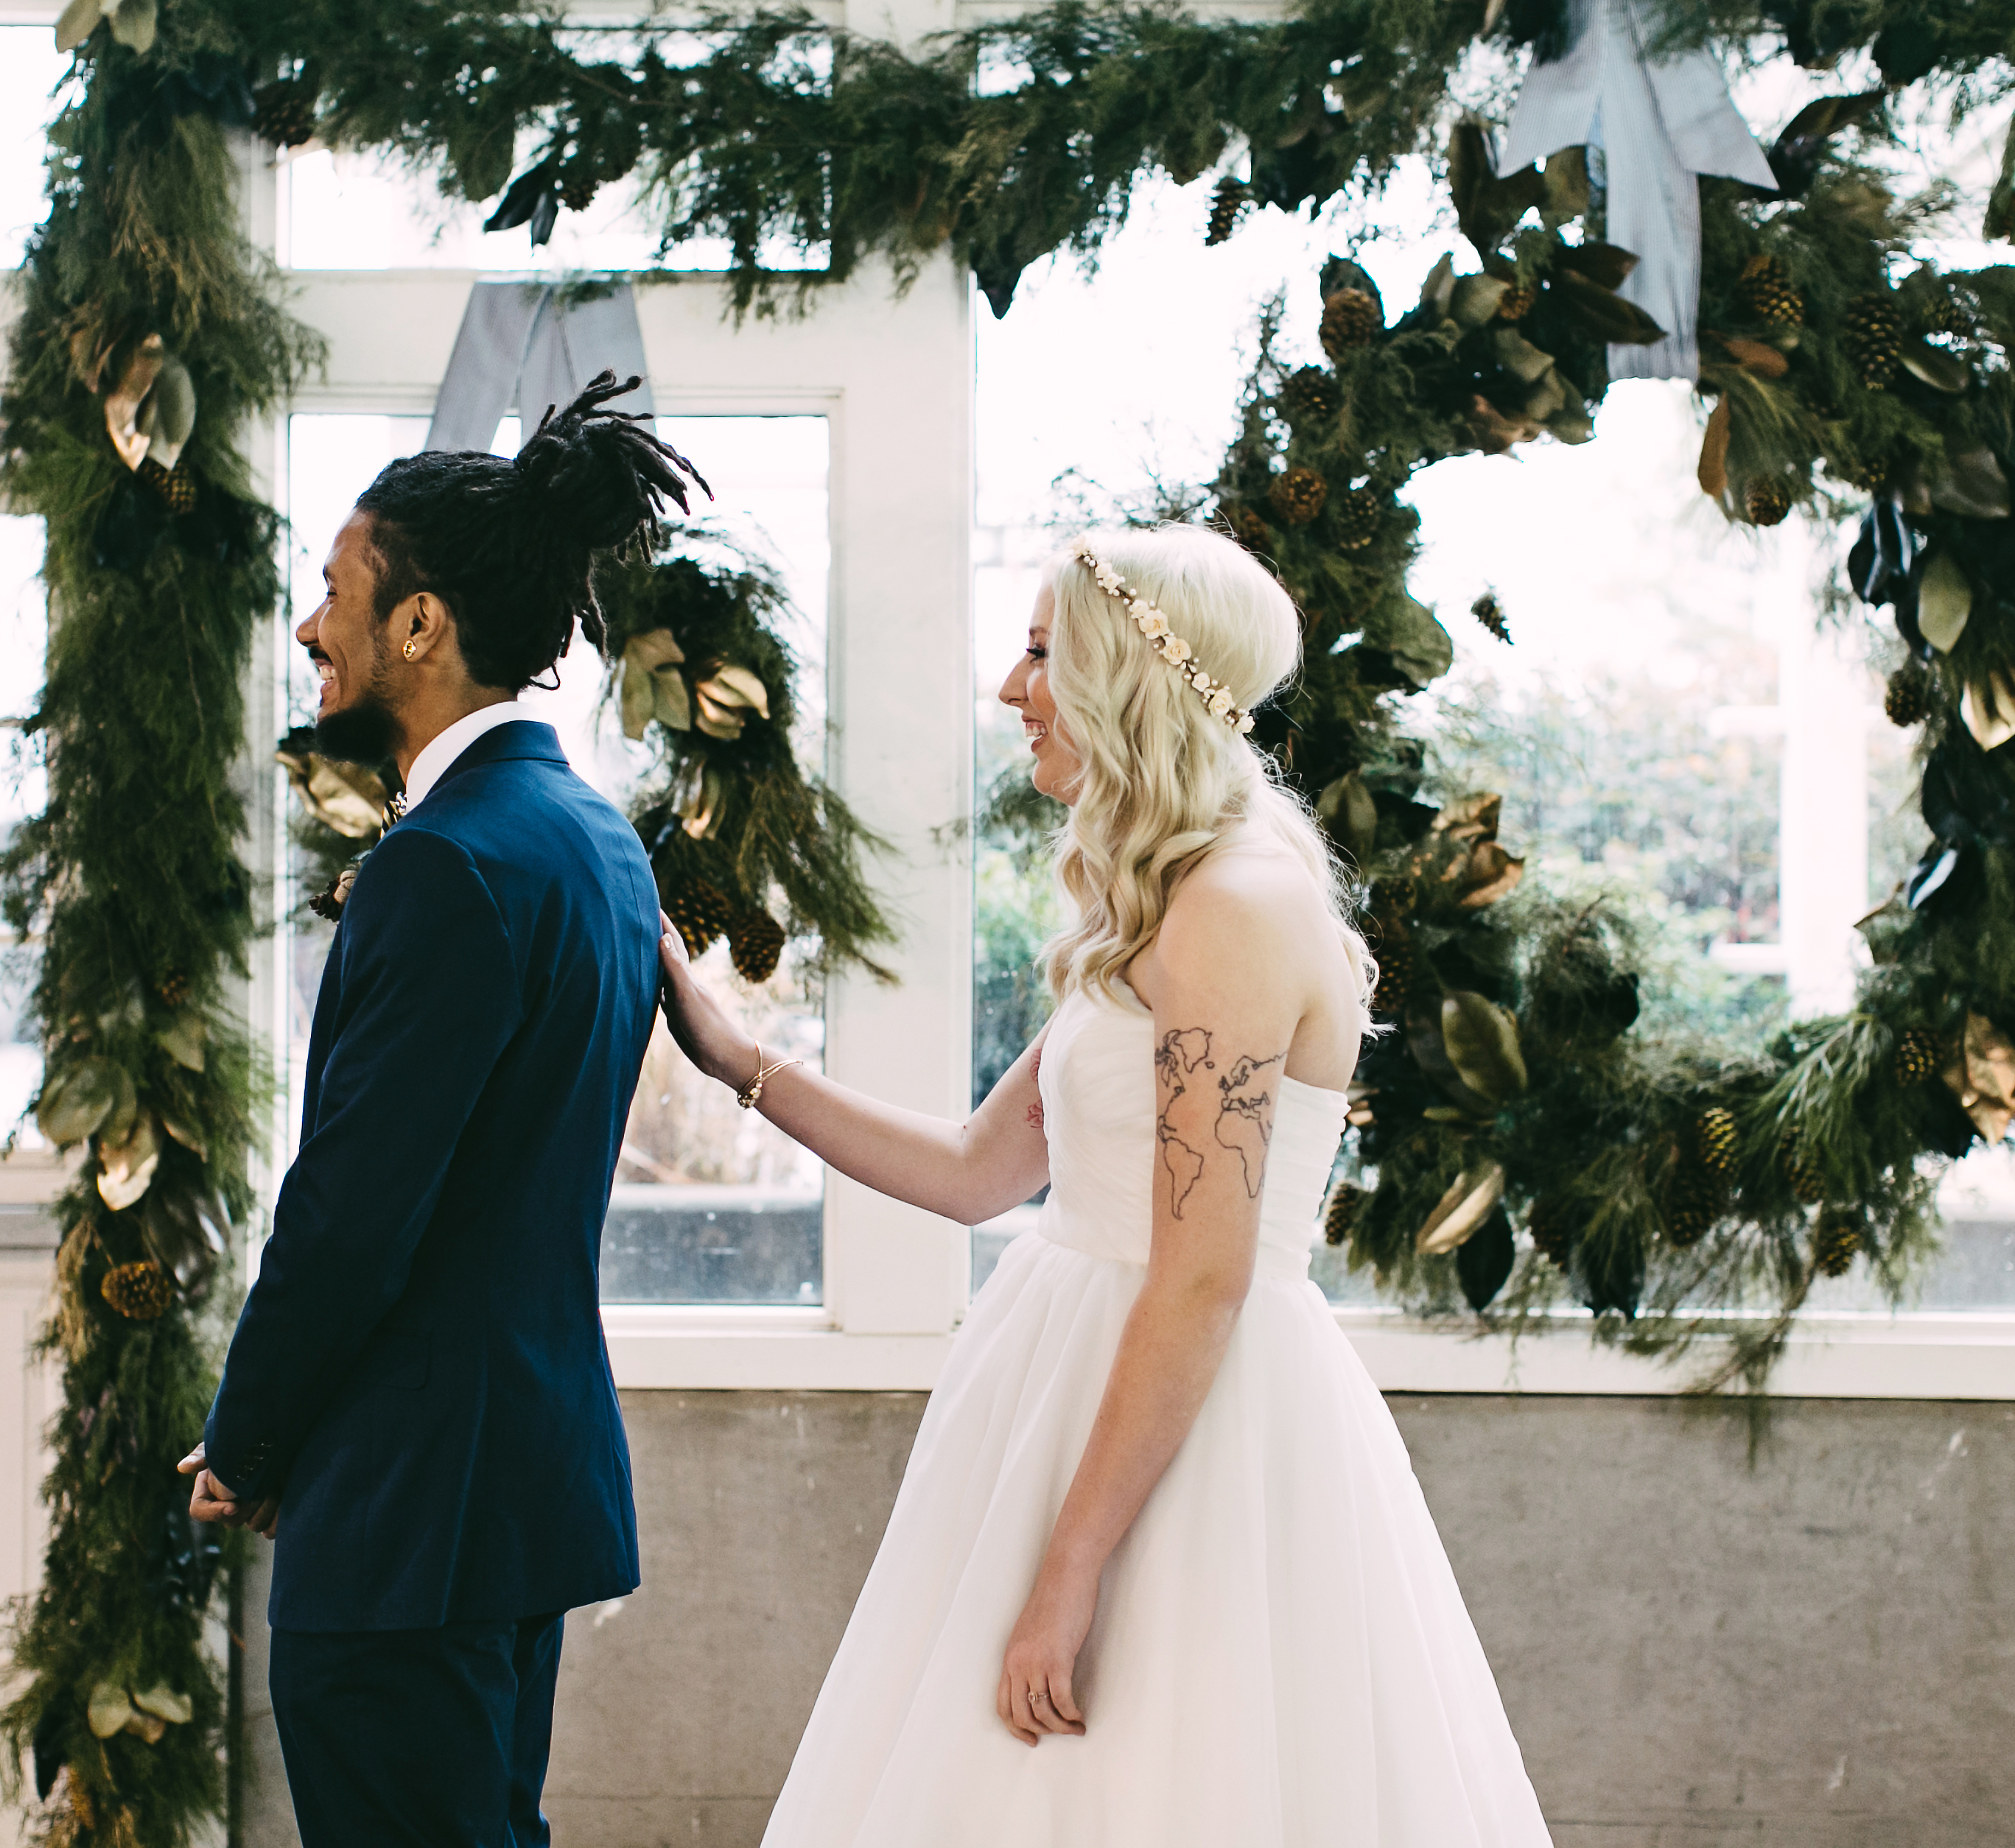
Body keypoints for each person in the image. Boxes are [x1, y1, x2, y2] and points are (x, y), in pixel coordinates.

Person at [659, 523, 1554, 1844]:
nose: (1011, 689)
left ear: (1131, 679)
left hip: (1198, 1433)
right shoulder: (1152, 907)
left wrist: (1068, 1568)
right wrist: (740, 1064)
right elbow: (975, 1174)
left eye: (1039, 652)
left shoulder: (1237, 908)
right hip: (1062, 1385)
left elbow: (1202, 1272)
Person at [176, 373, 704, 1848]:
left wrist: (252, 1437)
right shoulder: (595, 839)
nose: (310, 625)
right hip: (514, 1487)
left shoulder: (447, 861)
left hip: (409, 1509)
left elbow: (352, 1212)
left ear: (419, 622)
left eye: (335, 587)